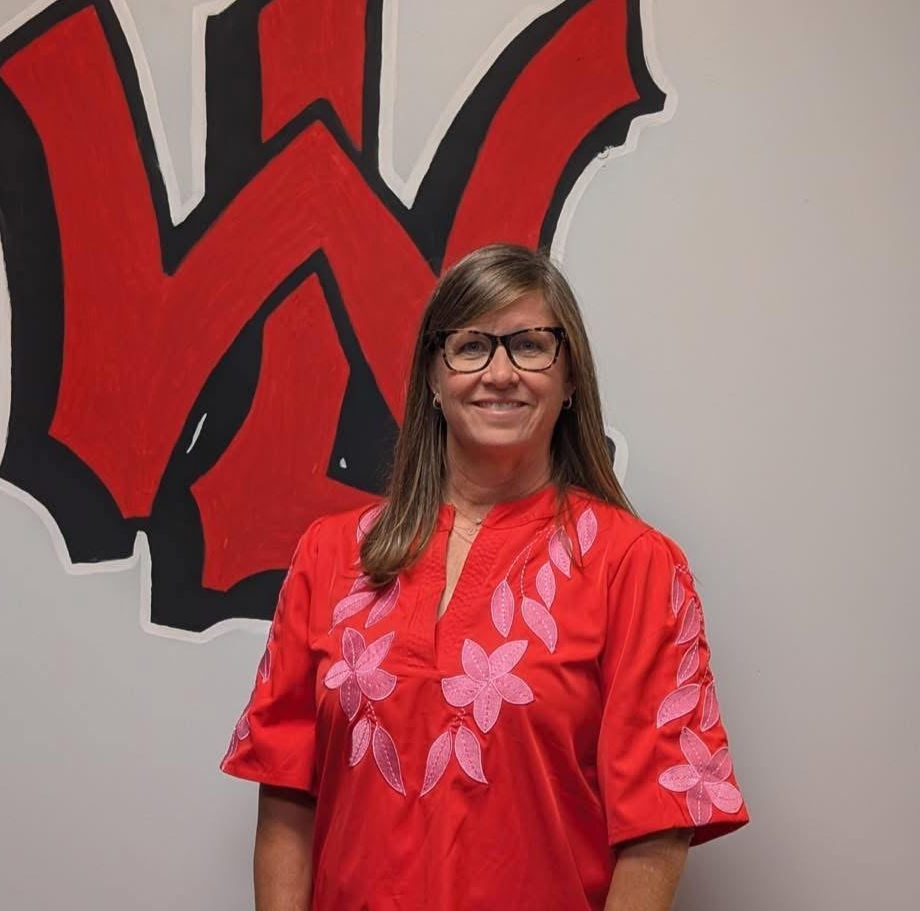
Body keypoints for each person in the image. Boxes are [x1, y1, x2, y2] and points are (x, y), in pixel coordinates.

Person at [221, 243, 749, 910]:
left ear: (571, 379)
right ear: (433, 378)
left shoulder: (636, 567)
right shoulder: (330, 554)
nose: (500, 373)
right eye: (471, 347)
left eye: (530, 346)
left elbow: (658, 827)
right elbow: (286, 792)